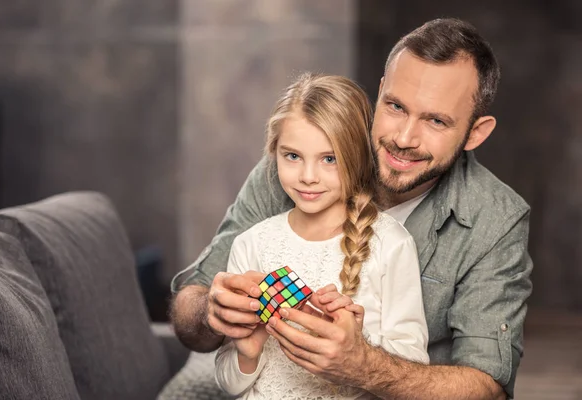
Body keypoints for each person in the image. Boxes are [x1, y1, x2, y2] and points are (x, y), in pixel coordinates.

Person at [170, 18, 533, 400]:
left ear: (476, 132)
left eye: (436, 121)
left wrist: (361, 364)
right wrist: (214, 314)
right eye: (395, 106)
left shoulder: (496, 219)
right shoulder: (297, 162)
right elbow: (190, 310)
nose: (403, 138)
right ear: (380, 91)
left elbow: (487, 385)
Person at [213, 73, 429, 399]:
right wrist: (247, 351)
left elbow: (412, 368)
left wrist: (360, 348)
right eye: (292, 156)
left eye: (329, 159)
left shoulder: (391, 245)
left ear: (355, 158)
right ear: (273, 153)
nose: (308, 177)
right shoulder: (252, 244)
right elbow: (229, 385)